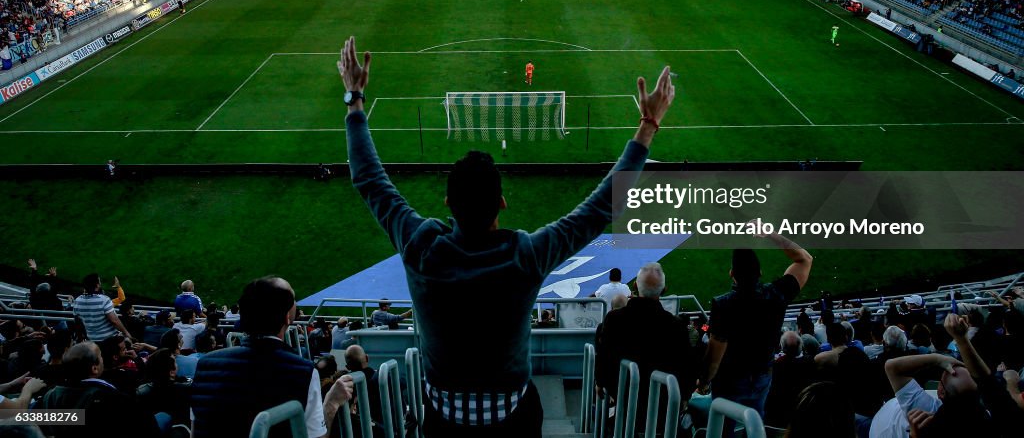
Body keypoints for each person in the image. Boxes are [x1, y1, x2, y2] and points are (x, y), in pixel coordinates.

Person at [338, 36, 675, 437]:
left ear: (447, 202)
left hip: (444, 423)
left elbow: (370, 180)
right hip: (513, 418)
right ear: (502, 203)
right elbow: (602, 208)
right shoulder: (526, 254)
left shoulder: (422, 246)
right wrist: (647, 126)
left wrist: (354, 99)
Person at [190, 277, 354, 438]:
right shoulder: (304, 372)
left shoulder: (205, 365)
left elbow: (195, 430)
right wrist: (331, 404)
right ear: (287, 318)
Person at [698, 234, 813, 425]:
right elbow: (804, 259)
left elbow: (714, 358)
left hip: (730, 380)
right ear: (760, 272)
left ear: (732, 274)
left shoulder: (723, 304)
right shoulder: (777, 293)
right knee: (755, 422)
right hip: (762, 375)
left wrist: (703, 382)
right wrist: (771, 234)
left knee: (724, 426)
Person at [596, 263, 694, 431]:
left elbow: (605, 355)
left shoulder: (614, 319)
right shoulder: (675, 325)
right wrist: (685, 395)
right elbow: (686, 364)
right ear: (664, 290)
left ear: (634, 286)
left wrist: (600, 382)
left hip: (624, 397)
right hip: (663, 402)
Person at [37, 341, 160, 438]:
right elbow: (147, 427)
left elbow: (28, 419)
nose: (103, 360)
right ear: (94, 368)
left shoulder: (51, 396)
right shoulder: (114, 400)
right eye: (100, 356)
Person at [73, 273, 134, 343]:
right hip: (109, 339)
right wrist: (126, 333)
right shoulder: (104, 300)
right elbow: (114, 321)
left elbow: (77, 322)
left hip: (92, 340)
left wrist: (81, 338)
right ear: (97, 285)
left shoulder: (77, 301)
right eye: (99, 281)